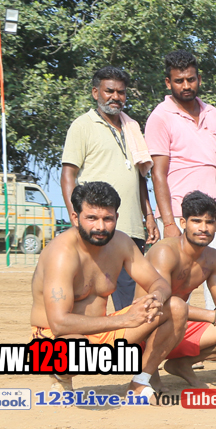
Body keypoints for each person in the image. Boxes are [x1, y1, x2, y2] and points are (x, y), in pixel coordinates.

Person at [30, 182, 185, 402]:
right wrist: (126, 320)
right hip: (55, 338)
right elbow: (59, 323)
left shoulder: (121, 242)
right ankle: (60, 376)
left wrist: (156, 298)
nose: (100, 227)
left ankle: (140, 382)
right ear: (75, 218)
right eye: (91, 218)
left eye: (108, 219)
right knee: (76, 350)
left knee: (176, 307)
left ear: (116, 217)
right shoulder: (61, 254)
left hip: (103, 332)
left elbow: (159, 282)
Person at [60, 66, 155, 311]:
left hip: (131, 229)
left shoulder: (132, 127)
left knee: (132, 304)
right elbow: (68, 175)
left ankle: (126, 337)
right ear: (96, 93)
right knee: (92, 299)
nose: (115, 97)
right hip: (98, 229)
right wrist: (77, 218)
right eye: (109, 91)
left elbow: (139, 177)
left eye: (121, 92)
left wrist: (149, 216)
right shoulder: (82, 126)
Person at [143, 191, 216, 387]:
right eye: (196, 221)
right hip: (145, 328)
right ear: (183, 223)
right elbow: (160, 304)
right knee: (172, 307)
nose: (203, 228)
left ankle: (183, 363)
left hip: (178, 326)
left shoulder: (212, 257)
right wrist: (215, 317)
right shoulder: (165, 252)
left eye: (209, 222)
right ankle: (147, 370)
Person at [146, 50, 216, 309]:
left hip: (212, 217)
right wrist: (169, 223)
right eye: (179, 80)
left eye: (191, 79)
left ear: (199, 79)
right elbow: (158, 173)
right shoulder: (160, 117)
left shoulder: (213, 114)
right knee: (175, 288)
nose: (186, 85)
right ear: (168, 83)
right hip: (177, 216)